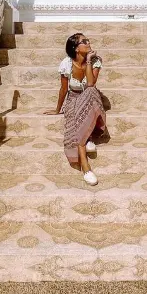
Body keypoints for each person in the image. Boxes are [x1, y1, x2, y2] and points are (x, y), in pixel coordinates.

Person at [44, 32, 106, 186]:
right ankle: (86, 166)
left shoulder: (95, 61)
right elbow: (64, 89)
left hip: (91, 99)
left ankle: (88, 139)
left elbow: (91, 84)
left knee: (91, 91)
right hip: (73, 99)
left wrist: (90, 61)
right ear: (76, 48)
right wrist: (58, 109)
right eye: (84, 41)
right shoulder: (66, 63)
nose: (88, 42)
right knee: (74, 119)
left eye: (87, 40)